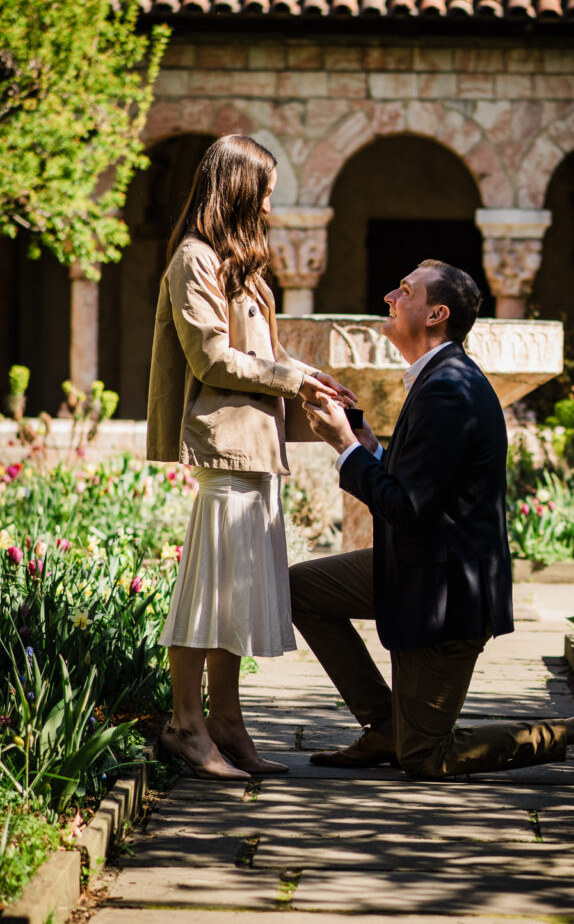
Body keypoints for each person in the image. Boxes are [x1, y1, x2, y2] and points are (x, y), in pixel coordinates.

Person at [290, 259, 574, 779]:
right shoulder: (438, 378)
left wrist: (343, 448)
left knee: (426, 759)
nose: (389, 296)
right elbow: (423, 487)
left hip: (446, 594)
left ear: (436, 314)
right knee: (301, 590)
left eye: (404, 291)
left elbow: (407, 508)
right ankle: (385, 725)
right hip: (415, 566)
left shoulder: (448, 387)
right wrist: (367, 447)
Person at [147, 134, 354, 781]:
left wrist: (309, 376)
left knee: (233, 596)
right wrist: (289, 380)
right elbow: (210, 357)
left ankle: (228, 724)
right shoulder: (194, 259)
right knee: (207, 594)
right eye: (263, 189)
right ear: (236, 188)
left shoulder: (238, 266)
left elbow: (261, 355)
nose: (270, 204)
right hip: (224, 446)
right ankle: (185, 724)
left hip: (256, 451)